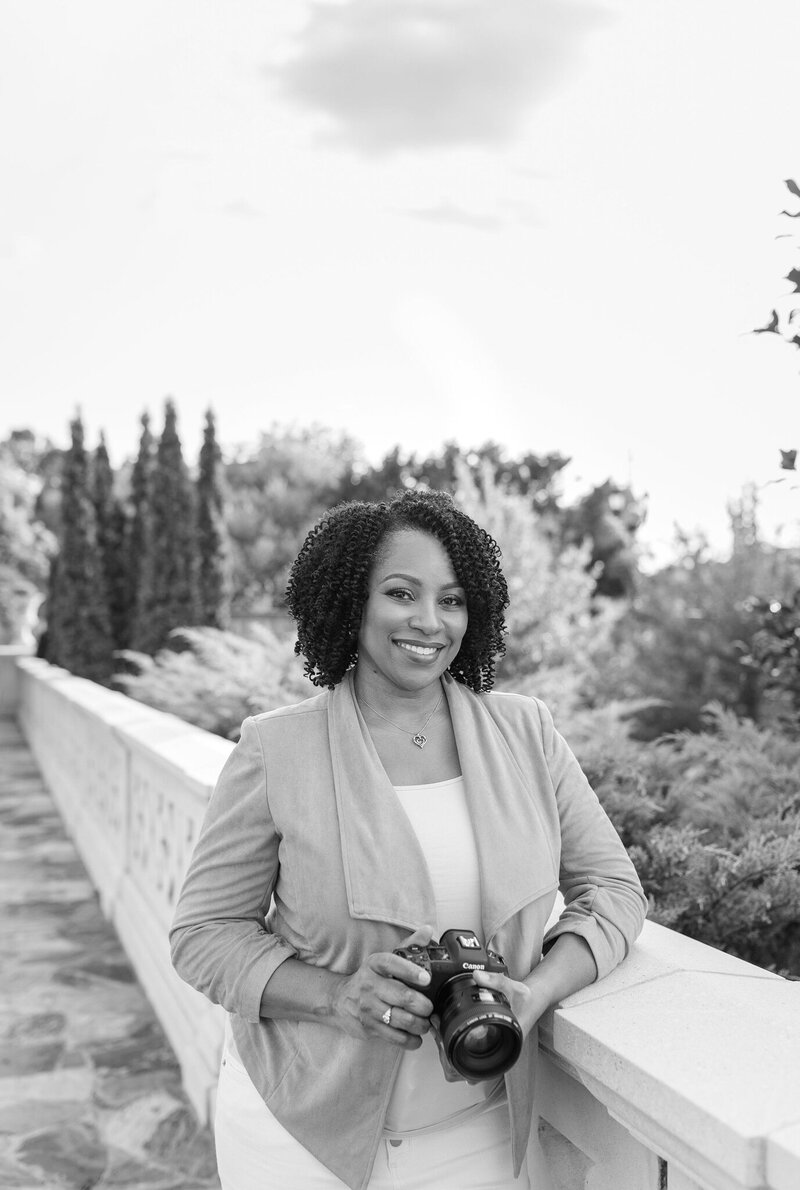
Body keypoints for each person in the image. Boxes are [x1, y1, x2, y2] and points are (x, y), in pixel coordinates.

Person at [170, 488, 647, 1190]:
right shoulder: (277, 749)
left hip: (478, 1134)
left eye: (453, 600)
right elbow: (204, 934)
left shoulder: (527, 731)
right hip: (296, 1133)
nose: (430, 622)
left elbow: (613, 889)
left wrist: (537, 990)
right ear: (350, 600)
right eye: (401, 593)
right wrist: (336, 998)